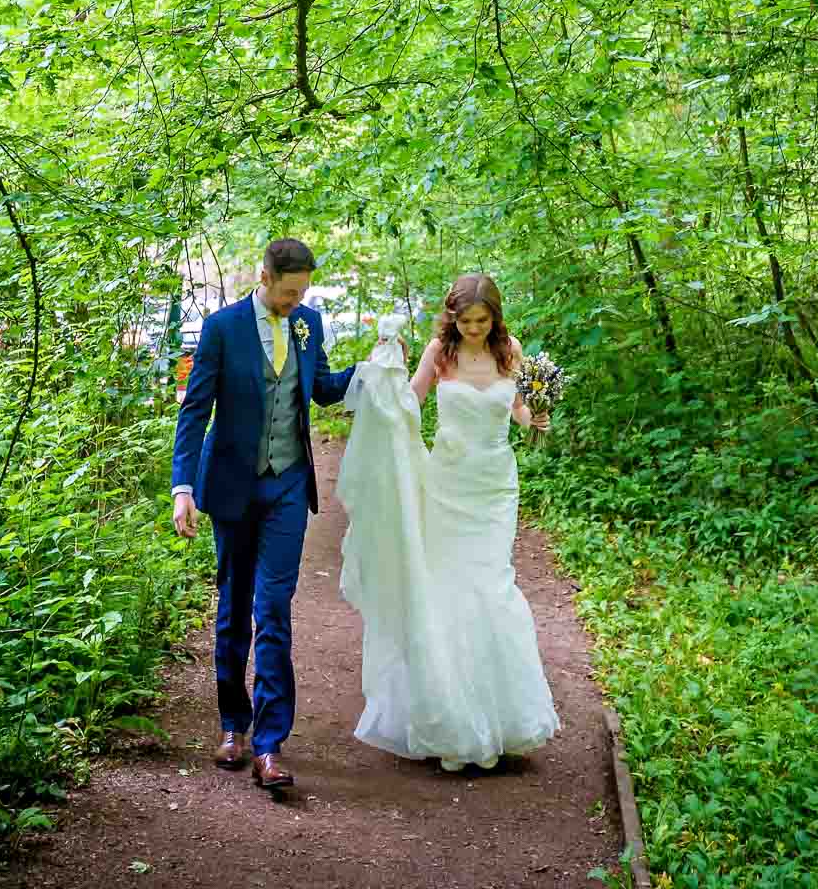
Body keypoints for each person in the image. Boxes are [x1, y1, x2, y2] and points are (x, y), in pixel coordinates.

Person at [336, 272, 560, 771]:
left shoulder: (511, 350)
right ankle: (452, 720)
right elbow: (410, 402)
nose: (475, 329)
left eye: (483, 321)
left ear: (495, 318)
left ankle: (501, 721)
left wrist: (533, 419)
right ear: (452, 317)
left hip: (495, 485)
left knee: (493, 585)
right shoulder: (440, 351)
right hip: (448, 483)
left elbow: (518, 408)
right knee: (449, 589)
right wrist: (385, 383)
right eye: (466, 321)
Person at [171, 237, 354, 790]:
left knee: (273, 609)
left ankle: (271, 745)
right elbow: (196, 409)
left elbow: (320, 390)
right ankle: (233, 725)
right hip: (230, 485)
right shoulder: (222, 328)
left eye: (304, 293)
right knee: (233, 605)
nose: (297, 302)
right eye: (289, 291)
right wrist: (182, 486)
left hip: (288, 487)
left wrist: (370, 374)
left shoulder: (309, 324)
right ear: (265, 277)